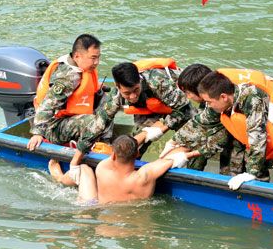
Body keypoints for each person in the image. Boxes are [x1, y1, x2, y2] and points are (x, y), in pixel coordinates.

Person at [27, 34, 120, 165]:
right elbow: (47, 105)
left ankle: (104, 142)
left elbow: (83, 90)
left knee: (107, 103)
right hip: (53, 126)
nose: (97, 62)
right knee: (94, 120)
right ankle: (99, 150)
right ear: (77, 56)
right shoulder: (69, 77)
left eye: (98, 57)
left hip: (68, 117)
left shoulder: (82, 67)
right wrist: (38, 133)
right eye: (93, 58)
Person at [48, 135, 189, 205]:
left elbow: (119, 152)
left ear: (113, 155)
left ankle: (60, 178)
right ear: (137, 154)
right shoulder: (145, 176)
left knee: (83, 169)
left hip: (92, 207)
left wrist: (146, 133)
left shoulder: (103, 168)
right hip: (133, 217)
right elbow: (173, 158)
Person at [159, 63, 238, 174]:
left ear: (200, 90)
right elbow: (198, 123)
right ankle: (191, 172)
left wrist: (178, 144)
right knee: (196, 140)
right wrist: (173, 141)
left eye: (188, 93)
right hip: (230, 128)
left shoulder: (220, 99)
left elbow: (202, 125)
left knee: (231, 168)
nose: (187, 97)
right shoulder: (210, 101)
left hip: (244, 133)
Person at [111, 60, 193, 154]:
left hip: (176, 103)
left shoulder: (159, 82)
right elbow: (104, 116)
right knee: (134, 146)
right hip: (151, 106)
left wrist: (159, 128)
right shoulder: (116, 94)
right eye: (127, 93)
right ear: (117, 87)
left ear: (140, 80)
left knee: (192, 138)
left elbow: (182, 108)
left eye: (136, 89)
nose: (133, 96)